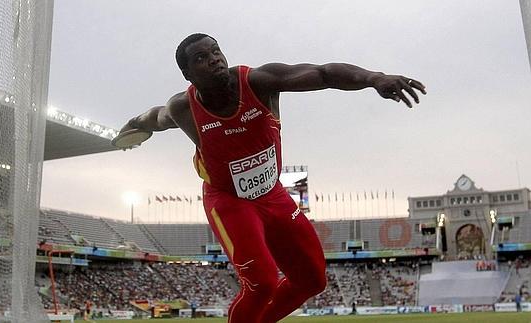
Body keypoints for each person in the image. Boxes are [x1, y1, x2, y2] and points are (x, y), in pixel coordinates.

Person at [118, 33, 426, 323]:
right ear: (187, 74)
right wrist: (133, 127)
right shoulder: (183, 108)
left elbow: (324, 74)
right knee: (262, 282)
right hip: (228, 200)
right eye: (201, 57)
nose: (214, 59)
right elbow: (153, 118)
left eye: (216, 51)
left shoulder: (258, 82)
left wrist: (374, 79)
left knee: (312, 280)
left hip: (273, 195)